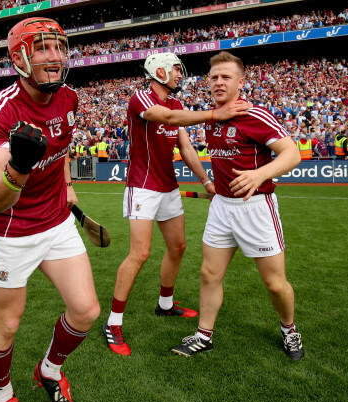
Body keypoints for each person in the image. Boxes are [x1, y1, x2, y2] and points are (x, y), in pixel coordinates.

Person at [0, 17, 100, 402]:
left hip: (56, 221)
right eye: (43, 48)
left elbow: (60, 149)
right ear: (19, 58)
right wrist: (19, 166)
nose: (56, 57)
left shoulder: (69, 97)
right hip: (12, 231)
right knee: (7, 325)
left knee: (85, 311)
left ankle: (48, 370)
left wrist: (69, 194)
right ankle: (2, 393)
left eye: (60, 47)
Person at [103, 52, 251, 356]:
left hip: (168, 187)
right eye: (175, 70)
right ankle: (113, 323)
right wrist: (213, 115)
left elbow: (185, 148)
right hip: (143, 187)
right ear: (158, 71)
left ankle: (165, 305)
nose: (179, 75)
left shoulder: (176, 104)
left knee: (178, 247)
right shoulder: (140, 99)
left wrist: (208, 183)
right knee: (140, 253)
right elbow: (167, 119)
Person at [170, 51, 304, 362]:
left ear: (240, 83)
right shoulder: (210, 117)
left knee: (274, 283)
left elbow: (291, 153)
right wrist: (212, 183)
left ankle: (290, 329)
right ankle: (204, 336)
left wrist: (260, 174)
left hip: (255, 207)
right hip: (222, 207)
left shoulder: (254, 115)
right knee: (209, 274)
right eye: (214, 77)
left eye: (226, 77)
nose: (218, 82)